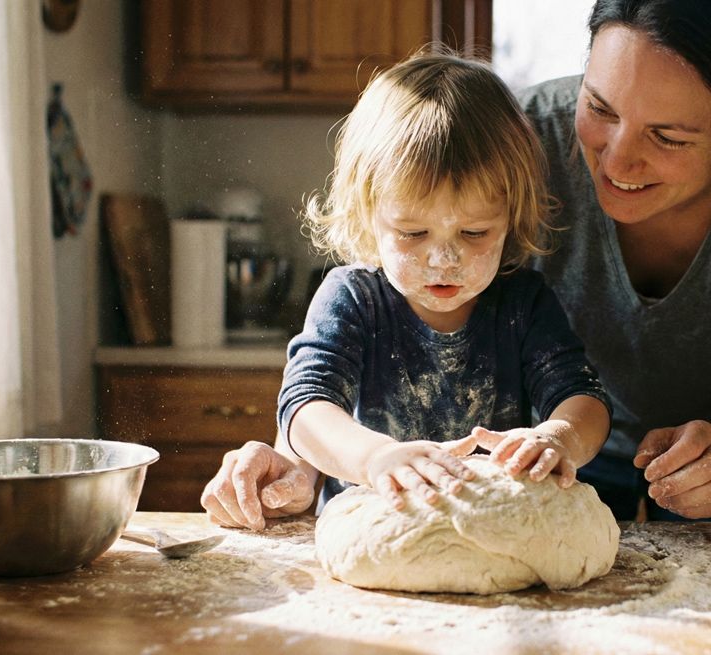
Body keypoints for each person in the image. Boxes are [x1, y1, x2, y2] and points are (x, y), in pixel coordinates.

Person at [201, 0, 711, 528]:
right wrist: (299, 461)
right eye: (599, 107)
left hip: (674, 467)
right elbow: (325, 379)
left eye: (668, 136)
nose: (615, 160)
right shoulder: (513, 143)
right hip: (534, 473)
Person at [202, 52, 611, 526]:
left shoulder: (523, 303)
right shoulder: (353, 300)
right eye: (413, 234)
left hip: (489, 528)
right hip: (371, 529)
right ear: (367, 215)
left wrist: (558, 437)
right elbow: (307, 407)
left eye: (474, 232)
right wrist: (374, 458)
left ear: (510, 219)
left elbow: (583, 398)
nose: (444, 259)